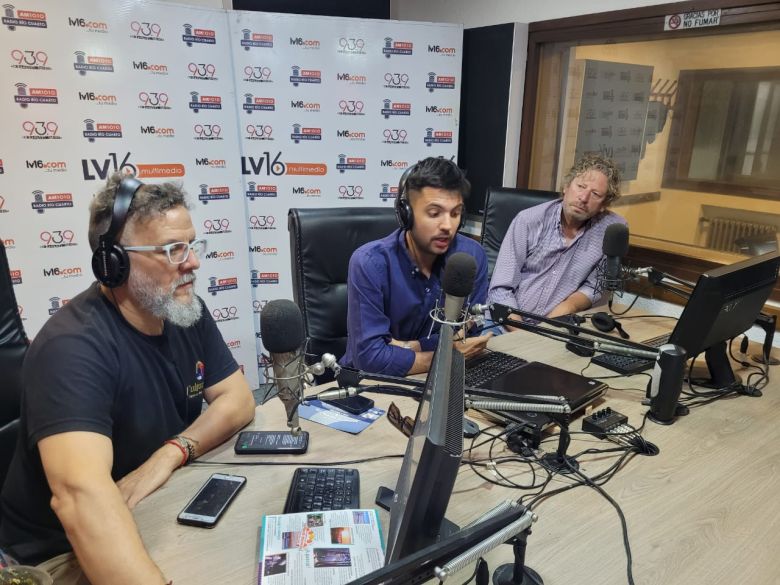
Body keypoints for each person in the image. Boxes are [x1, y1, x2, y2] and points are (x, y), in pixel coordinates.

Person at [0, 174, 256, 585]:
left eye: (191, 245)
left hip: (152, 504)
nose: (192, 262)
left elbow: (238, 399)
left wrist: (171, 453)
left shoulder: (182, 308)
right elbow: (81, 502)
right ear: (114, 263)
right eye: (173, 250)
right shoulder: (71, 349)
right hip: (60, 556)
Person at [341, 157, 492, 376]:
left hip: (442, 379)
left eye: (455, 213)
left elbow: (468, 333)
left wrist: (407, 347)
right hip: (370, 384)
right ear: (406, 213)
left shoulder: (471, 257)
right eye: (434, 213)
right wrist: (449, 356)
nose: (448, 226)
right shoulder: (369, 263)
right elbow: (370, 359)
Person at [488, 154, 628, 320]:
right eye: (581, 186)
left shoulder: (610, 231)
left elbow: (594, 287)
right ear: (566, 187)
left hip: (556, 327)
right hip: (505, 325)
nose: (583, 198)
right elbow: (500, 290)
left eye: (596, 194)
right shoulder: (528, 221)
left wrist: (567, 308)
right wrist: (523, 333)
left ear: (604, 205)